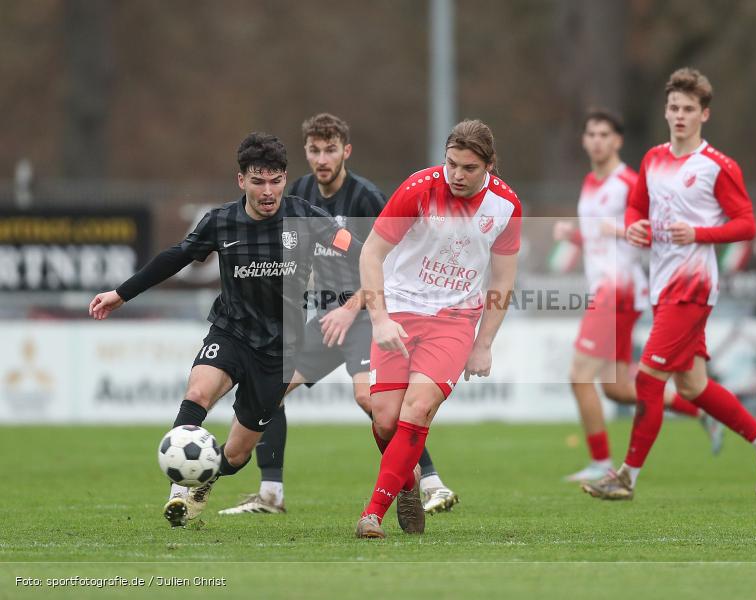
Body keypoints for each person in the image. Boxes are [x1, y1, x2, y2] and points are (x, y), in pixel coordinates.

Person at [89, 132, 357, 527]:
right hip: (231, 333)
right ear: (241, 180)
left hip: (280, 353)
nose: (268, 191)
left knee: (235, 454)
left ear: (285, 178)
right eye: (258, 181)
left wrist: (360, 293)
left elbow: (360, 250)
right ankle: (178, 489)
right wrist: (121, 294)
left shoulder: (308, 218)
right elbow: (176, 257)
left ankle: (205, 479)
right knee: (197, 393)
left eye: (276, 181)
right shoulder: (221, 221)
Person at [218, 114, 459, 516]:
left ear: (346, 151)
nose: (322, 158)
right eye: (314, 150)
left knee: (369, 399)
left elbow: (391, 264)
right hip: (326, 319)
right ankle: (271, 493)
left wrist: (350, 309)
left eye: (330, 149)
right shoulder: (298, 193)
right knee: (271, 388)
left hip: (365, 315)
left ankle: (431, 483)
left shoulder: (367, 198)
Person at [582, 68, 756, 501]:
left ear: (704, 114)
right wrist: (634, 226)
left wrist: (699, 233)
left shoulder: (717, 166)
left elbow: (746, 225)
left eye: (689, 109)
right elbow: (635, 208)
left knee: (648, 380)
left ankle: (625, 478)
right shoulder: (653, 159)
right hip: (662, 285)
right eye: (674, 107)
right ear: (666, 111)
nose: (680, 115)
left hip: (692, 286)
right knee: (693, 387)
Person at [354, 119, 521, 538]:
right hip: (400, 310)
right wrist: (380, 318)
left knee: (416, 409)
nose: (457, 175)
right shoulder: (418, 189)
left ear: (489, 166)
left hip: (455, 320)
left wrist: (484, 344)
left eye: (469, 168)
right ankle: (407, 484)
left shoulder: (505, 206)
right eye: (452, 164)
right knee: (385, 420)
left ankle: (372, 514)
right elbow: (371, 253)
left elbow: (503, 280)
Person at [554, 110, 723, 483]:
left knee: (579, 376)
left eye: (604, 134)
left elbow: (654, 234)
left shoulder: (629, 182)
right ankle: (701, 411)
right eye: (591, 134)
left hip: (619, 289)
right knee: (616, 389)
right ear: (584, 140)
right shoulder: (589, 182)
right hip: (606, 289)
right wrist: (575, 237)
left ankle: (600, 463)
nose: (597, 140)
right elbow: (599, 239)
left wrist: (615, 229)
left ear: (617, 141)